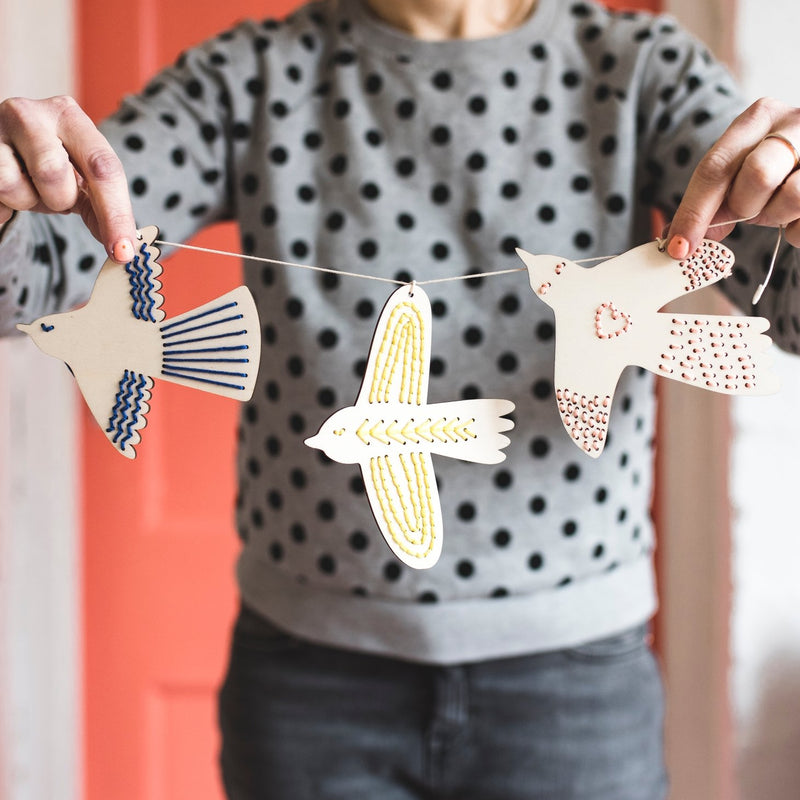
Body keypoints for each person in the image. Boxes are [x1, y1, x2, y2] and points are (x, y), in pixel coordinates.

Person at [1, 0, 799, 797]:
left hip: (577, 680)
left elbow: (788, 302)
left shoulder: (642, 67)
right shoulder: (246, 75)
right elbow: (45, 263)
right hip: (311, 680)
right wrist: (10, 197)